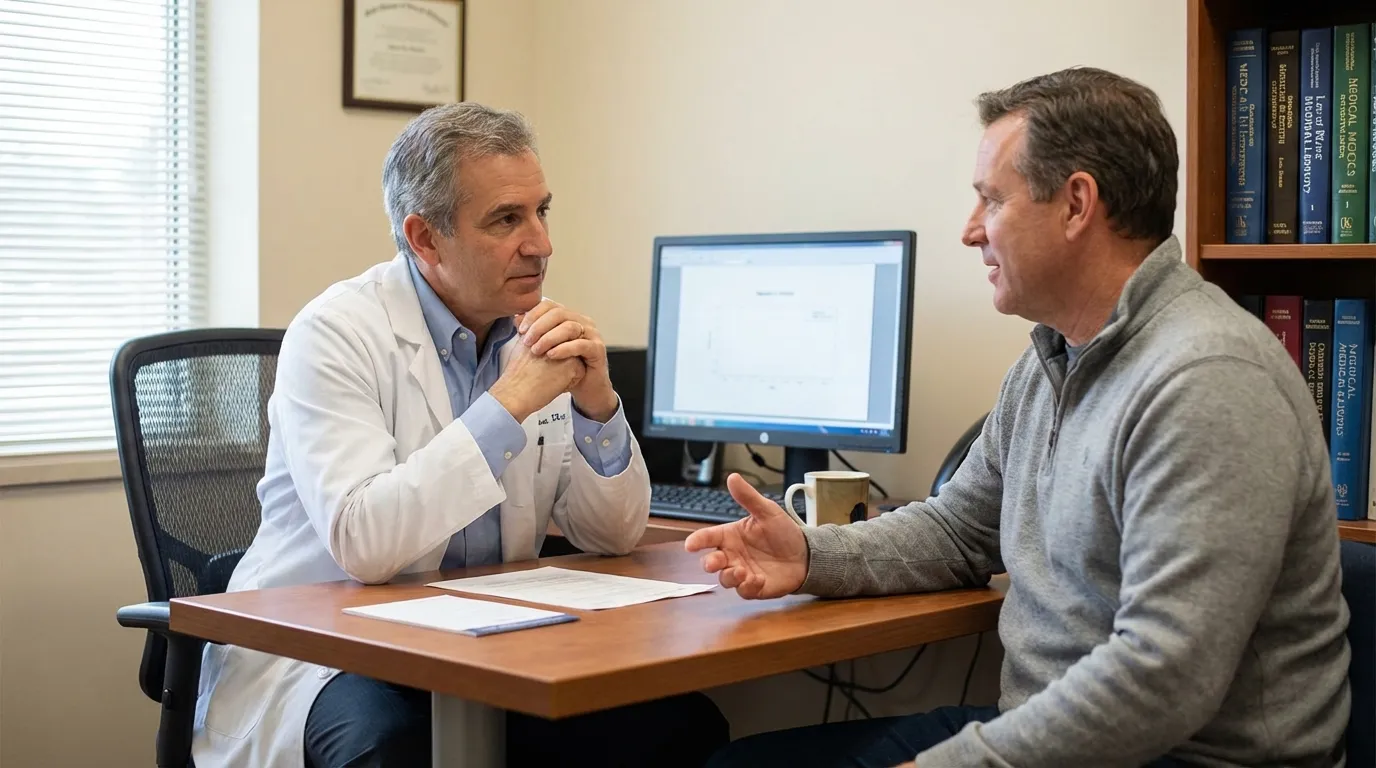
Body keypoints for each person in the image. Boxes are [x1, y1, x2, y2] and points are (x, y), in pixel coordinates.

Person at [688, 67, 1351, 768]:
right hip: (1048, 734)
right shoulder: (1050, 361)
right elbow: (958, 529)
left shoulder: (1208, 380)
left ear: (1076, 205)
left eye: (991, 200)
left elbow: (1164, 676)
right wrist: (813, 554)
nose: (970, 230)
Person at [191, 102, 727, 768]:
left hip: (492, 645)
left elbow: (612, 536)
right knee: (392, 749)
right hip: (334, 653)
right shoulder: (334, 333)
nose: (541, 244)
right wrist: (507, 405)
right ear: (425, 239)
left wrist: (597, 405)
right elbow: (365, 542)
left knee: (677, 725)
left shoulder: (531, 335)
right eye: (507, 219)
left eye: (542, 211)